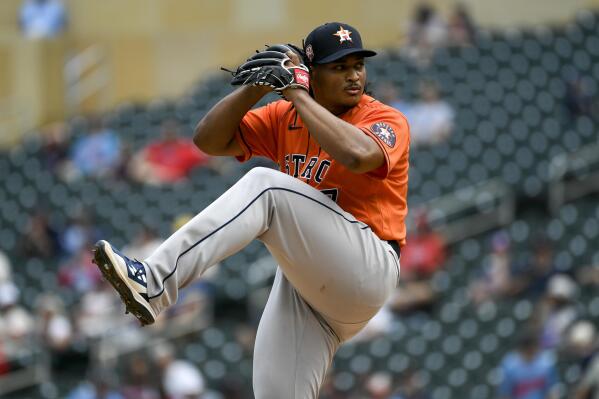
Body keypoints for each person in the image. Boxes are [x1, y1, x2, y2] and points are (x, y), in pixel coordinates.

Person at [93, 22, 409, 398]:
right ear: (312, 73)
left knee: (266, 186)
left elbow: (358, 156)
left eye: (358, 64)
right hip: (312, 289)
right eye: (339, 67)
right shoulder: (284, 117)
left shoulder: (384, 118)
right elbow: (207, 140)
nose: (354, 75)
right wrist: (254, 88)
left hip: (368, 265)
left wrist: (296, 93)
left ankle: (154, 282)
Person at [498, 328, 559, 399]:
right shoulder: (510, 365)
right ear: (521, 349)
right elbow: (505, 394)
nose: (531, 353)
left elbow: (552, 392)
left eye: (533, 349)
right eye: (528, 351)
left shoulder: (546, 364)